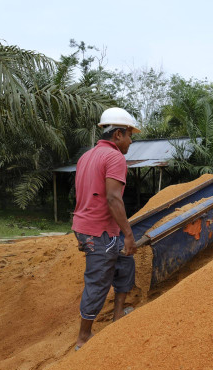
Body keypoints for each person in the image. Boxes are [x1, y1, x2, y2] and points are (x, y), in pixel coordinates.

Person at [72, 107, 140, 350]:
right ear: (118, 134)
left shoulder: (86, 156)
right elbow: (113, 198)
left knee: (124, 262)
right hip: (98, 231)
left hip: (92, 227)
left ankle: (118, 312)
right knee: (98, 280)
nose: (131, 142)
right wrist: (129, 235)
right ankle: (83, 338)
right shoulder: (114, 158)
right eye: (130, 136)